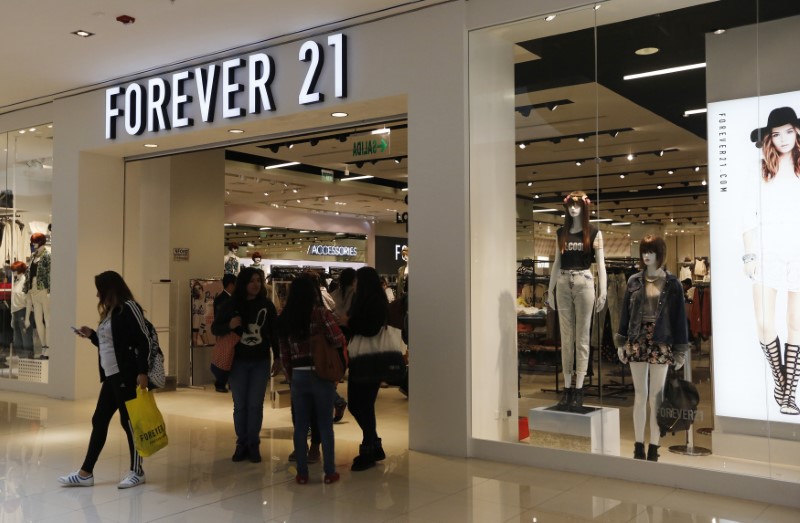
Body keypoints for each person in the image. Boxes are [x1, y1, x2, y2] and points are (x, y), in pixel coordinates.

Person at [58, 271, 152, 489]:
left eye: (100, 288)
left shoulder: (129, 307)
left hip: (126, 375)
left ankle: (137, 471)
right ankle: (85, 473)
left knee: (129, 422)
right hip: (111, 376)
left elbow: (144, 339)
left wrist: (143, 371)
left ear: (110, 288)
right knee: (99, 420)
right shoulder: (112, 312)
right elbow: (109, 344)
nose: (97, 294)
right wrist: (92, 334)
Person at [745, 106, 800, 415]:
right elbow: (747, 216)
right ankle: (781, 381)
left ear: (797, 132)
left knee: (796, 324)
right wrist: (750, 254)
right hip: (767, 252)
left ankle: (787, 394)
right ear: (769, 138)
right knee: (765, 323)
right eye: (776, 134)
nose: (783, 139)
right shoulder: (760, 169)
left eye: (789, 131)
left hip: (798, 251)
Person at [615, 235, 689, 462]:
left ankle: (654, 447)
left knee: (656, 397)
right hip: (637, 339)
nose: (646, 255)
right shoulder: (633, 281)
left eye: (651, 251)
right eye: (644, 251)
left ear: (660, 254)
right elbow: (625, 315)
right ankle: (638, 445)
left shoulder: (673, 284)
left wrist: (680, 350)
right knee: (640, 395)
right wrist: (621, 341)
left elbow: (679, 319)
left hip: (661, 340)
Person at [278, 276, 346, 484]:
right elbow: (338, 339)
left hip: (298, 375)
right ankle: (329, 472)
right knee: (325, 425)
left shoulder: (285, 317)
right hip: (321, 374)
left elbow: (284, 353)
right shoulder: (321, 313)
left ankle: (301, 473)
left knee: (300, 426)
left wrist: (291, 377)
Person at [545, 191, 607, 411]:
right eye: (570, 206)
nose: (573, 209)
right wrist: (549, 290)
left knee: (582, 338)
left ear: (584, 208)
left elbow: (601, 265)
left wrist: (603, 291)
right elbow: (556, 263)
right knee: (566, 338)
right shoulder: (561, 233)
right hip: (562, 282)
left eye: (577, 206)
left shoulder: (594, 233)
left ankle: (579, 388)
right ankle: (567, 389)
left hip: (584, 281)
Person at [211, 267, 279, 463]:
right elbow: (215, 328)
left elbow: (274, 333)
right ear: (244, 283)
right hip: (238, 362)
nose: (256, 284)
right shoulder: (231, 304)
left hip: (261, 361)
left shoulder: (267, 305)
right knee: (240, 405)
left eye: (259, 280)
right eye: (252, 281)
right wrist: (229, 326)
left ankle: (253, 444)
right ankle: (242, 443)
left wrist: (280, 358)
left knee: (255, 405)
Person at [347, 266, 389, 471]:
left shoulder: (375, 302)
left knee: (359, 404)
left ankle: (369, 447)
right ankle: (373, 444)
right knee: (361, 404)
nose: (354, 285)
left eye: (356, 281)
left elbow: (370, 328)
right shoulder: (365, 300)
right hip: (362, 358)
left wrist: (349, 322)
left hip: (369, 360)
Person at [24, 232, 51, 359]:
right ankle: (44, 346)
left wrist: (51, 290)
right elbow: (29, 275)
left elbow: (51, 274)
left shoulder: (48, 256)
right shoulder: (33, 256)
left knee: (48, 319)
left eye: (34, 241)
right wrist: (27, 289)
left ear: (40, 242)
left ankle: (50, 347)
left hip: (44, 289)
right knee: (38, 320)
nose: (33, 244)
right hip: (33, 290)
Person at [210, 273, 237, 393]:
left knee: (229, 358)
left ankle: (228, 382)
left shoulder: (226, 298)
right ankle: (220, 382)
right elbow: (219, 319)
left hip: (228, 332)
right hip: (225, 333)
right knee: (224, 358)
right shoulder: (223, 299)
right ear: (231, 285)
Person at [10, 261, 34, 359]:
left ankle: (29, 361)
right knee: (17, 340)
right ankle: (22, 362)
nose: (13, 272)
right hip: (15, 312)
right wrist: (12, 317)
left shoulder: (25, 282)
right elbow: (13, 300)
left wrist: (27, 318)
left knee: (26, 338)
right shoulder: (16, 282)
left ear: (20, 270)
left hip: (23, 312)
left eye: (14, 270)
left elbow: (29, 301)